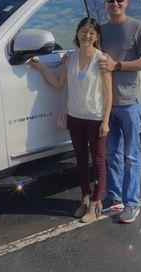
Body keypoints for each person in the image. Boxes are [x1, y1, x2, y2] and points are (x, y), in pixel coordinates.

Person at [30, 17, 112, 222]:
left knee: (99, 161)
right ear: (77, 33)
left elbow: (109, 94)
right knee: (81, 160)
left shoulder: (101, 59)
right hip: (75, 117)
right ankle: (84, 199)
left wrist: (105, 121)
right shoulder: (71, 58)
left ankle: (95, 204)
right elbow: (59, 83)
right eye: (83, 31)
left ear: (97, 36)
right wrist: (40, 67)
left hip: (95, 118)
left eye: (92, 32)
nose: (87, 35)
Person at [98, 0, 141, 223]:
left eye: (119, 0)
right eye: (111, 0)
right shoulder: (100, 31)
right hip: (107, 104)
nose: (115, 4)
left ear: (126, 1)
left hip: (130, 102)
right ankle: (115, 199)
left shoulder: (138, 27)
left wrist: (118, 65)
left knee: (131, 155)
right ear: (106, 2)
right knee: (112, 154)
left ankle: (132, 204)